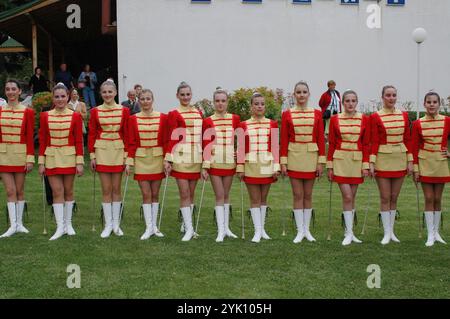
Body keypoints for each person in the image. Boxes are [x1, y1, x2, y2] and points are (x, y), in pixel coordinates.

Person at [280, 81, 326, 244]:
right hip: (294, 157)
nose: (301, 95)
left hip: (311, 158)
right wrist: (283, 162)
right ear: (294, 94)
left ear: (308, 94)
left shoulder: (317, 114)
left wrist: (321, 162)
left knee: (308, 195)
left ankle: (307, 230)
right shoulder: (287, 114)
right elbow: (284, 139)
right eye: (298, 92)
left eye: (304, 92)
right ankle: (300, 231)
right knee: (297, 195)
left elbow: (320, 138)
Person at [38, 83, 84, 240]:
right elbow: (42, 140)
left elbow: (79, 140)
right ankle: (60, 227)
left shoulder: (75, 116)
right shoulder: (45, 116)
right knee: (57, 191)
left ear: (68, 97)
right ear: (53, 98)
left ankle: (68, 224)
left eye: (63, 96)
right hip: (52, 157)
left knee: (69, 191)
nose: (60, 99)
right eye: (56, 96)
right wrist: (41, 162)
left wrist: (79, 162)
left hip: (69, 157)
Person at [370, 85, 413, 245]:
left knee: (394, 197)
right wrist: (372, 162)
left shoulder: (404, 114)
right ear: (382, 97)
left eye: (394, 95)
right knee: (385, 196)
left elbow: (407, 139)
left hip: (400, 158)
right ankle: (386, 233)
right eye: (388, 95)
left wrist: (410, 161)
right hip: (382, 158)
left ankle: (392, 231)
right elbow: (373, 140)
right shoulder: (375, 116)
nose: (391, 98)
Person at [327, 90, 370, 246]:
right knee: (347, 197)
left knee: (353, 197)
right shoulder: (334, 119)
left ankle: (350, 232)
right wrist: (330, 166)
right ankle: (348, 233)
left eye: (353, 101)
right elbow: (331, 143)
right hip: (340, 161)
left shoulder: (364, 119)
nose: (350, 104)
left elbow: (366, 144)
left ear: (356, 102)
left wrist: (365, 165)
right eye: (347, 101)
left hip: (356, 162)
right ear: (342, 103)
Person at [237, 93, 280, 243]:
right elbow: (240, 148)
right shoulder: (243, 125)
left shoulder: (272, 124)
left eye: (262, 104)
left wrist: (276, 167)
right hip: (251, 165)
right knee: (254, 199)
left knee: (263, 199)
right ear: (251, 106)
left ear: (265, 106)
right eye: (256, 104)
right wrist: (240, 168)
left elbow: (275, 147)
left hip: (267, 165)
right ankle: (257, 231)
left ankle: (263, 230)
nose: (259, 106)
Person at [89, 79, 130, 238]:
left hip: (119, 151)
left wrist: (127, 156)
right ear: (101, 94)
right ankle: (107, 225)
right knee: (106, 189)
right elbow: (92, 134)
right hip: (102, 151)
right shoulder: (95, 111)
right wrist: (92, 155)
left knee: (116, 189)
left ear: (115, 93)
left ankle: (116, 225)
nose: (107, 94)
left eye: (110, 92)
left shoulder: (124, 110)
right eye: (104, 92)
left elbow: (127, 133)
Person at [164, 82, 203, 242]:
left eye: (188, 94)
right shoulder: (174, 113)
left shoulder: (198, 112)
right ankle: (189, 229)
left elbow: (202, 135)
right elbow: (171, 136)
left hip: (196, 157)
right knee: (184, 193)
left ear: (191, 95)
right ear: (177, 96)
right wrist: (168, 158)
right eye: (182, 95)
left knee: (192, 193)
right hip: (180, 156)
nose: (186, 97)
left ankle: (186, 224)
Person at [126, 89, 167, 240]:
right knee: (146, 194)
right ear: (138, 101)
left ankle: (154, 226)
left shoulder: (163, 117)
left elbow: (166, 141)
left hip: (157, 159)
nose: (145, 101)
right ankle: (148, 227)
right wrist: (129, 162)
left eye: (148, 98)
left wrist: (166, 160)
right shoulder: (132, 119)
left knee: (155, 194)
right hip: (141, 159)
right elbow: (131, 142)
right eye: (142, 99)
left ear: (153, 99)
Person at [202, 87, 240, 242]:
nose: (220, 104)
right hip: (215, 161)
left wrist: (240, 154)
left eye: (223, 101)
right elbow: (206, 144)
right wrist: (205, 166)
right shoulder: (208, 121)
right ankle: (220, 229)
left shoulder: (235, 119)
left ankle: (227, 229)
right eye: (217, 101)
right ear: (213, 102)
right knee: (219, 195)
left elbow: (241, 139)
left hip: (230, 161)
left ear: (227, 102)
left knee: (226, 195)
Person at [411, 92, 450, 247]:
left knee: (438, 199)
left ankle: (436, 233)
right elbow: (414, 147)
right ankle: (429, 234)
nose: (432, 104)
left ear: (439, 104)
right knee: (428, 198)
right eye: (429, 102)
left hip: (440, 163)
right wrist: (415, 169)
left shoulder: (447, 121)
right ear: (424, 104)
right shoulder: (417, 123)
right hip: (425, 163)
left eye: (434, 102)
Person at [0, 80, 35, 238]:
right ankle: (12, 225)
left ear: (20, 91)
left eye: (14, 89)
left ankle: (19, 224)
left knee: (20, 190)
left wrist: (29, 159)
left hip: (20, 155)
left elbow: (29, 137)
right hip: (3, 155)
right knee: (10, 190)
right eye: (8, 89)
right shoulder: (0, 110)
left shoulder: (27, 111)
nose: (11, 92)